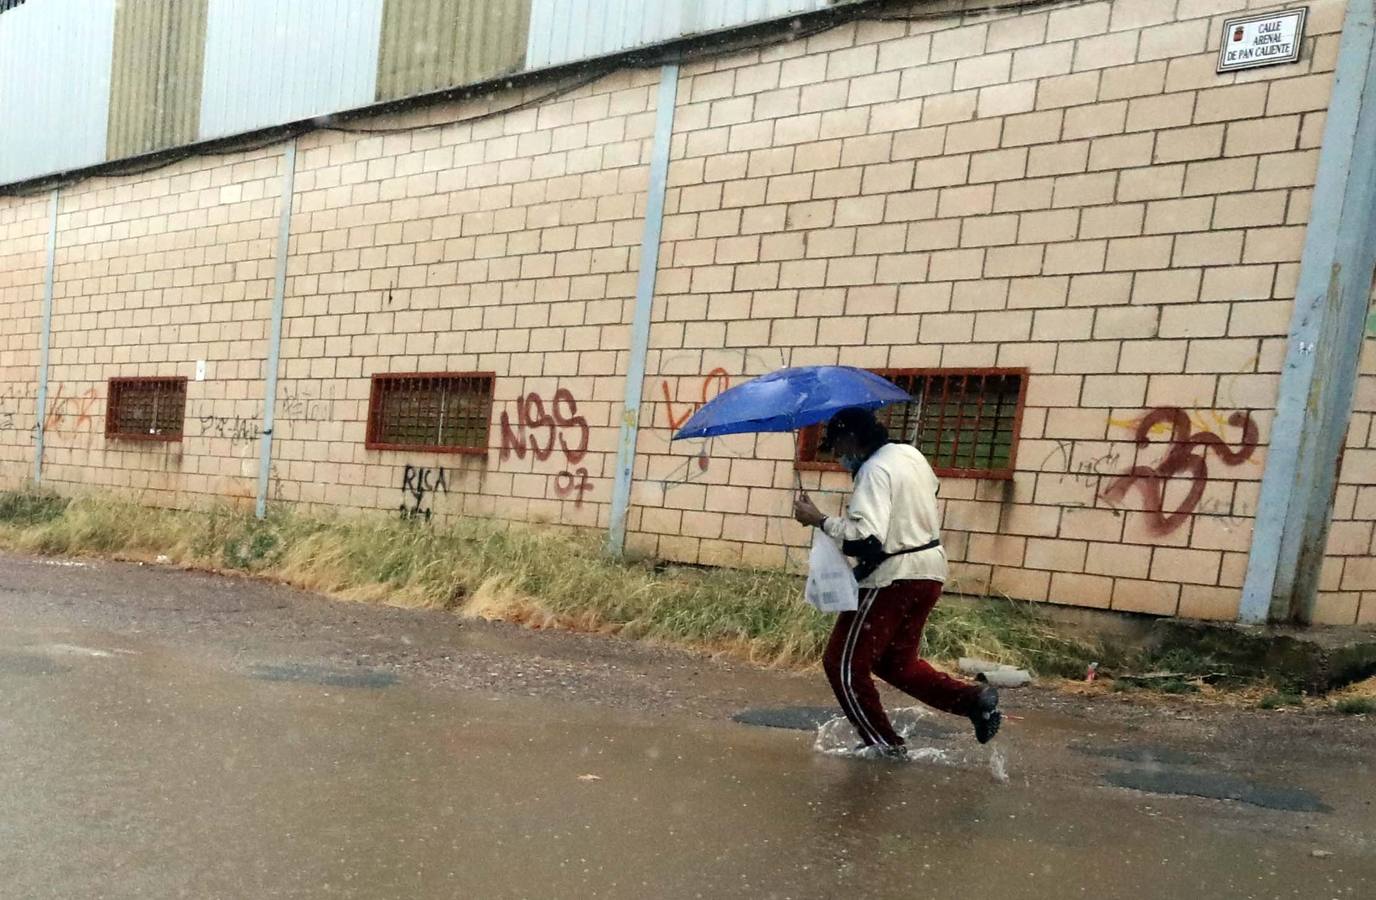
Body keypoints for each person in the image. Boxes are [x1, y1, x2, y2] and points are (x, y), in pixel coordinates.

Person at [792, 407, 1000, 756]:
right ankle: (973, 701)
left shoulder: (873, 470)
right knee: (895, 663)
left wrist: (820, 520)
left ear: (852, 438)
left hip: (894, 577)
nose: (839, 455)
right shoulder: (909, 454)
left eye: (838, 445)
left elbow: (866, 539)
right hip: (928, 573)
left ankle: (883, 744)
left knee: (842, 664)